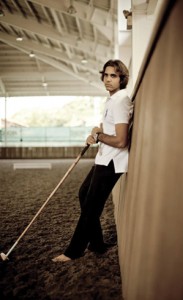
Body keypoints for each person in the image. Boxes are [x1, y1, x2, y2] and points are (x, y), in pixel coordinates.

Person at [52, 59, 133, 262]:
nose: (107, 79)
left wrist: (99, 136)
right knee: (83, 194)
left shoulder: (121, 99)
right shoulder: (112, 99)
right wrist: (96, 132)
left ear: (122, 78)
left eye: (113, 75)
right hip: (104, 158)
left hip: (113, 161)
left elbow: (122, 140)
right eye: (105, 75)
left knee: (91, 205)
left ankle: (74, 251)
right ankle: (96, 243)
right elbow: (109, 129)